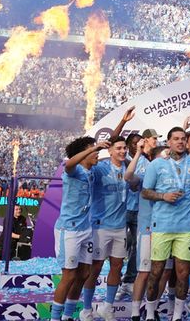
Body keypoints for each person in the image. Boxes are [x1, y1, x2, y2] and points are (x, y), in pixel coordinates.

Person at [142, 127, 190, 321]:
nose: (180, 142)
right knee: (156, 272)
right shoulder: (156, 165)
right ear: (168, 142)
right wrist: (163, 196)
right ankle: (151, 314)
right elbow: (145, 192)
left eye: (182, 139)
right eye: (176, 139)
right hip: (161, 226)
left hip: (185, 228)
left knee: (183, 273)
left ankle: (177, 316)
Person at [50, 137, 108, 321]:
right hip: (70, 230)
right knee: (69, 275)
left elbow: (111, 143)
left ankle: (68, 316)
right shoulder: (73, 172)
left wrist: (122, 122)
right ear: (83, 154)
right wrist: (92, 148)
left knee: (84, 273)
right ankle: (55, 318)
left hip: (86, 229)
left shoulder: (92, 171)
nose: (97, 152)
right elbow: (68, 163)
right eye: (93, 149)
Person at [80, 136, 134, 321]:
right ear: (110, 151)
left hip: (120, 227)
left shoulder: (128, 168)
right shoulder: (100, 168)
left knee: (117, 267)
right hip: (100, 226)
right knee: (95, 268)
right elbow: (83, 163)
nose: (122, 151)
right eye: (118, 148)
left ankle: (107, 307)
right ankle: (86, 309)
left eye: (124, 148)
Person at [123, 130, 160, 321]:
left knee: (161, 271)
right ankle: (136, 310)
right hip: (140, 218)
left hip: (164, 228)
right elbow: (129, 178)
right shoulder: (141, 164)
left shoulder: (169, 168)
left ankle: (153, 310)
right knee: (143, 268)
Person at [121, 132, 145, 298]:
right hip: (122, 210)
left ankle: (128, 280)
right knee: (118, 247)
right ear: (129, 144)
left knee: (137, 247)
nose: (138, 146)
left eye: (140, 143)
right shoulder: (121, 160)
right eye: (135, 143)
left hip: (139, 210)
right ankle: (113, 282)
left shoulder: (147, 160)